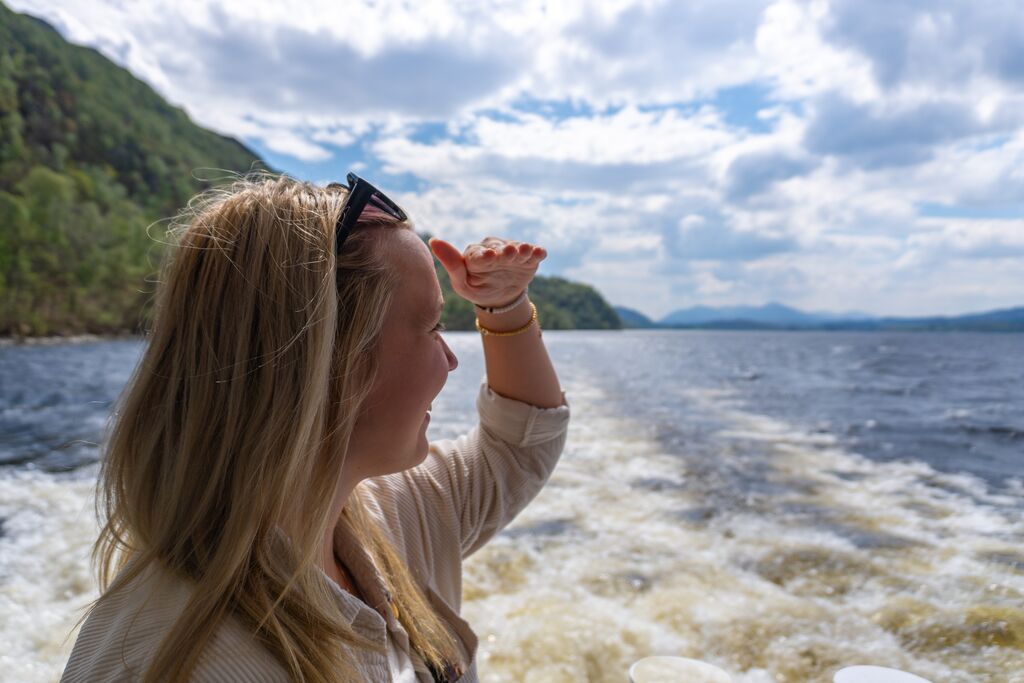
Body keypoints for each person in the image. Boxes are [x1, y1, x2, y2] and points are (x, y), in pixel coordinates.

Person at [59, 172, 570, 682]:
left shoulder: (381, 510)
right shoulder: (193, 664)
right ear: (332, 361)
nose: (451, 359)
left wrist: (503, 306)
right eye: (433, 326)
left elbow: (520, 446)